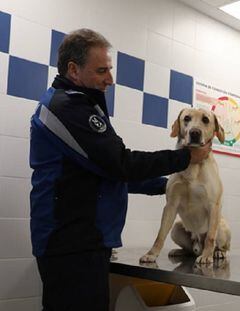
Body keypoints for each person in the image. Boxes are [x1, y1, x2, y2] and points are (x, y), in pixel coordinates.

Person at [29, 28, 211, 311]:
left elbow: (106, 174)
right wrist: (186, 159)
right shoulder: (65, 109)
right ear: (73, 70)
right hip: (70, 244)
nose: (110, 80)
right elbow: (121, 164)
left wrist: (171, 185)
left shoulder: (82, 105)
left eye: (109, 70)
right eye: (102, 70)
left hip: (84, 242)